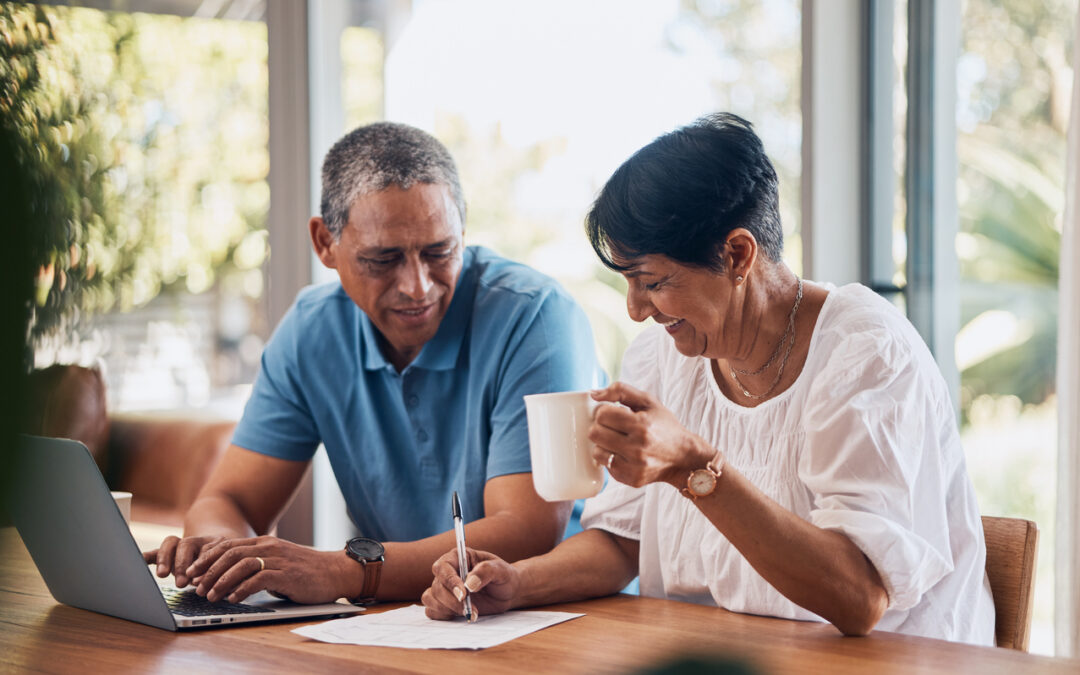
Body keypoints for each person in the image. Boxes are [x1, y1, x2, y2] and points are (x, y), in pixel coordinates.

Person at [421, 113, 995, 644]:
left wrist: (693, 469)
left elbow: (859, 597)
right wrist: (515, 583)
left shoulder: (865, 355)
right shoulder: (663, 355)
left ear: (739, 254)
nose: (636, 309)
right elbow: (623, 541)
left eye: (651, 281)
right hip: (720, 653)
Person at [143, 122, 601, 605]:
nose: (417, 286)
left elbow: (526, 530)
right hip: (405, 618)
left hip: (557, 615)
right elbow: (227, 500)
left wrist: (346, 572)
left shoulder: (535, 316)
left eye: (439, 251)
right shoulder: (311, 331)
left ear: (462, 230)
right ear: (325, 244)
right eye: (383, 259)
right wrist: (223, 554)